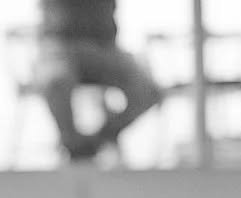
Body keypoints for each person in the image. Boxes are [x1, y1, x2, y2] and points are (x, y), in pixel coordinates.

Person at [36, 0, 162, 163]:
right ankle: (73, 145)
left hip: (105, 47)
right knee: (57, 82)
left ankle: (96, 142)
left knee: (148, 90)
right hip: (60, 46)